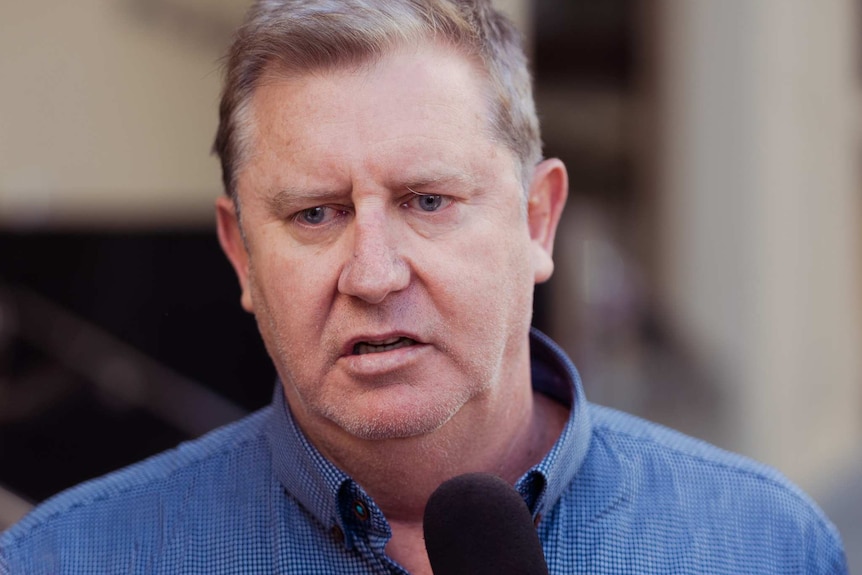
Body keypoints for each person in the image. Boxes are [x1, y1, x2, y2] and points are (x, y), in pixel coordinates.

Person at [0, 0, 847, 573]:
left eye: (427, 201)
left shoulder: (756, 543)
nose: (373, 273)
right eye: (316, 214)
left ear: (537, 221)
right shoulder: (71, 559)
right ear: (240, 256)